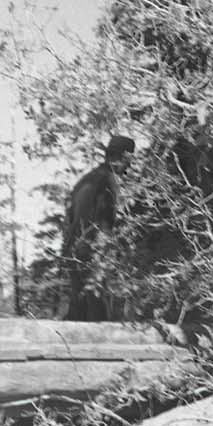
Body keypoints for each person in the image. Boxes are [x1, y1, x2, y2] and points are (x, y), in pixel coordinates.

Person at [61, 134, 136, 321]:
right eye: (129, 160)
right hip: (94, 254)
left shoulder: (85, 180)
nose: (129, 167)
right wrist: (105, 255)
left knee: (78, 313)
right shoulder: (108, 181)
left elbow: (68, 221)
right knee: (98, 317)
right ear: (123, 158)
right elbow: (105, 221)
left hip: (74, 253)